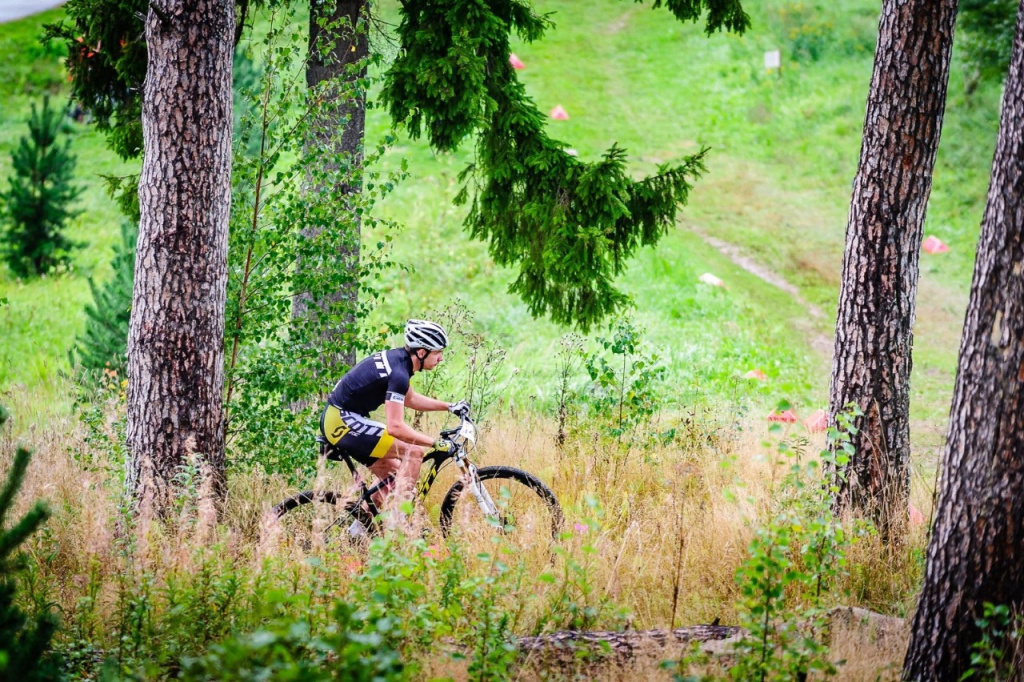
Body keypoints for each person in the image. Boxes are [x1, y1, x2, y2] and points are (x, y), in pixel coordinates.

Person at [320, 319, 470, 513]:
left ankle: (358, 532)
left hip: (340, 419)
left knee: (392, 478)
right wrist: (434, 443)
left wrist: (450, 407)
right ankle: (400, 523)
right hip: (341, 421)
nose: (441, 358)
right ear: (422, 352)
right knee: (414, 452)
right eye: (438, 352)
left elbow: (412, 399)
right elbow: (395, 427)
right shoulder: (398, 372)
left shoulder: (399, 362)